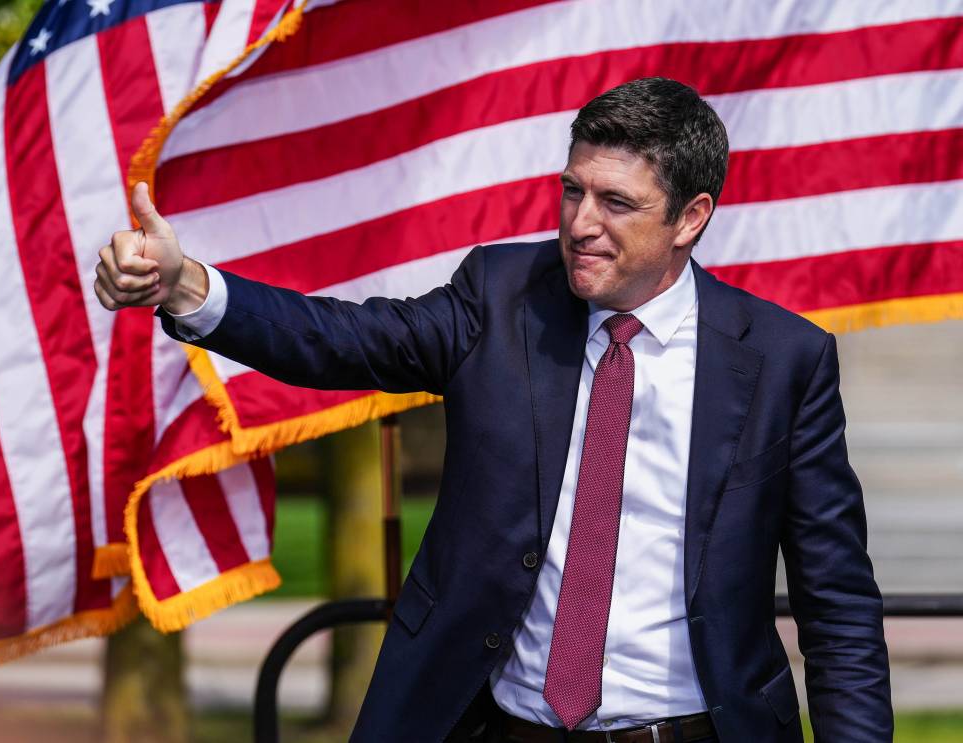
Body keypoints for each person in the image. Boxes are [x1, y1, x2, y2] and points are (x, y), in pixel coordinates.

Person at [95, 78, 892, 742]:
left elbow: (836, 601)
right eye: (572, 191)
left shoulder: (786, 360)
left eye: (617, 203)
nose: (581, 224)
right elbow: (344, 341)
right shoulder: (500, 295)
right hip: (498, 725)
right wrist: (190, 287)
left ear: (691, 217)